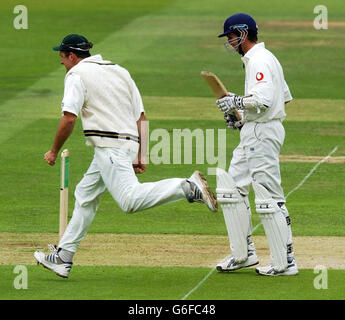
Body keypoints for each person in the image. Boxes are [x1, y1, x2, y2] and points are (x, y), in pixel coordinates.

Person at [34, 34, 217, 278]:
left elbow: (69, 117)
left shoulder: (76, 75)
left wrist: (54, 151)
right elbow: (141, 116)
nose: (61, 63)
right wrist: (141, 154)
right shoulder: (120, 71)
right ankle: (63, 257)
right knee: (85, 196)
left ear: (72, 56)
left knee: (129, 201)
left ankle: (185, 187)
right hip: (122, 145)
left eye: (63, 57)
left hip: (110, 147)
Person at [214, 14, 298, 276]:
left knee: (269, 195)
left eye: (230, 36)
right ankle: (244, 254)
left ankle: (285, 262)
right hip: (256, 130)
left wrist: (236, 102)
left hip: (263, 133)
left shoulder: (260, 59)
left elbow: (262, 101)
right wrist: (244, 121)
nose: (229, 41)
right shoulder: (263, 58)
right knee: (232, 189)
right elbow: (282, 98)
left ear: (242, 33)